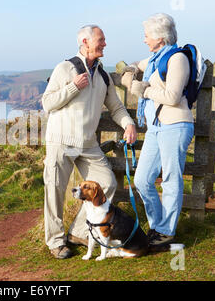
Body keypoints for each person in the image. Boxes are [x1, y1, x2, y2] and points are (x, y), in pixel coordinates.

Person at [42, 25, 137, 259]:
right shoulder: (65, 68)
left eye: (104, 39)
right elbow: (47, 103)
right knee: (55, 190)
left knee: (106, 184)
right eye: (101, 40)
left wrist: (128, 124)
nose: (105, 43)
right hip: (61, 141)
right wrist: (74, 86)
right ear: (85, 41)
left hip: (88, 143)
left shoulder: (103, 75)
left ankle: (77, 233)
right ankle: (56, 242)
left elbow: (115, 107)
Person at [121, 13, 194, 247]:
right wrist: (129, 71)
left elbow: (172, 97)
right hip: (155, 127)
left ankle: (166, 232)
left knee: (171, 179)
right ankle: (157, 225)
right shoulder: (154, 59)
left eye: (146, 36)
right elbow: (134, 65)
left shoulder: (177, 59)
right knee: (142, 179)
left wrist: (143, 90)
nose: (144, 40)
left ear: (160, 38)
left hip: (176, 124)